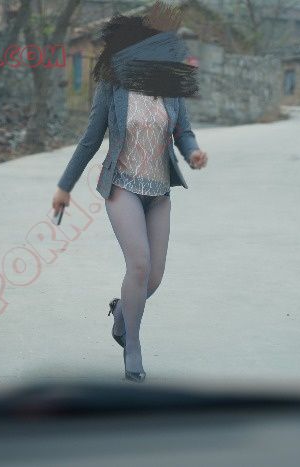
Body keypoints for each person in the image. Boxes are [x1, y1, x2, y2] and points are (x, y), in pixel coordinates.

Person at [51, 3, 208, 383]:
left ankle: (122, 311)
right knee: (138, 265)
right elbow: (90, 139)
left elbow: (183, 132)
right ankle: (132, 345)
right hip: (123, 186)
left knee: (154, 277)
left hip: (159, 191)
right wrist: (64, 186)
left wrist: (193, 152)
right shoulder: (113, 85)